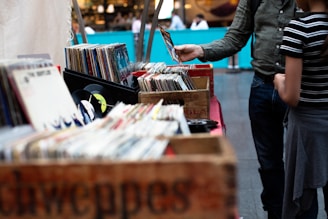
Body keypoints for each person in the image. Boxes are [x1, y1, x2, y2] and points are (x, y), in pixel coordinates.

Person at [174, 0, 297, 218]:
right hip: (262, 86)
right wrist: (201, 50)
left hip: (301, 89)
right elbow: (236, 37)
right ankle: (275, 213)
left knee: (303, 165)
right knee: (269, 164)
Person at [273, 0, 328, 218]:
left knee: (303, 201)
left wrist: (279, 80)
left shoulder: (298, 29)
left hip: (307, 128)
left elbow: (292, 97)